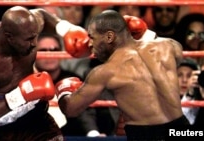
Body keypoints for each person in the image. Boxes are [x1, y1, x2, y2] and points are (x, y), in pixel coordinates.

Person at [0, 5, 91, 141]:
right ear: (9, 37)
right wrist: (21, 95)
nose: (35, 44)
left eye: (35, 37)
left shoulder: (26, 27)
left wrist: (66, 29)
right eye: (29, 39)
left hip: (30, 115)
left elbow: (43, 16)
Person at [55, 10, 190, 140]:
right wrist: (145, 34)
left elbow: (71, 109)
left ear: (109, 36)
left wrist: (63, 91)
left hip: (147, 136)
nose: (89, 44)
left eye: (92, 37)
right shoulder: (167, 46)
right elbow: (178, 53)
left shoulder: (105, 72)